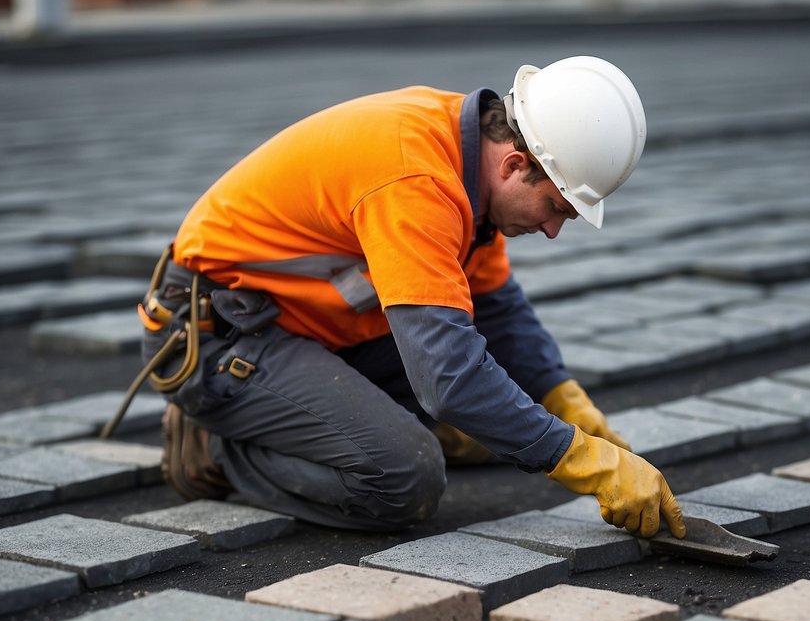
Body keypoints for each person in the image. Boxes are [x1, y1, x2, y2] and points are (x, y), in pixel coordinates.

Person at [137, 55, 686, 540]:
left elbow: (497, 308)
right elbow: (449, 380)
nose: (551, 231)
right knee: (402, 474)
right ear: (515, 165)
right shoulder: (415, 176)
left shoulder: (466, 158)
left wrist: (567, 404)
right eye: (557, 209)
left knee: (496, 404)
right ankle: (216, 448)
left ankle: (312, 423)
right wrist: (583, 460)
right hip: (217, 337)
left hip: (304, 328)